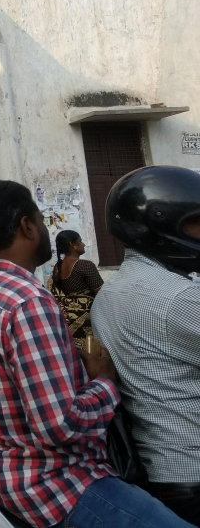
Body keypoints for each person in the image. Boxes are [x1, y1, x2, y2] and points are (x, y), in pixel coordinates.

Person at [0, 180, 190, 528]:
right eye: (40, 215)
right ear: (27, 225)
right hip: (58, 484)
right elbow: (58, 425)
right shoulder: (32, 301)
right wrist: (105, 383)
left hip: (1, 474)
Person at [91, 166, 200, 525]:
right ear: (161, 226)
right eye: (194, 223)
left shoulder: (109, 293)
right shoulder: (180, 299)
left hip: (158, 471)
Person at [47, 230, 104, 351]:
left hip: (68, 322)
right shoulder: (84, 265)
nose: (83, 244)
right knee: (93, 356)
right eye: (80, 241)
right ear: (73, 244)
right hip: (88, 323)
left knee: (77, 358)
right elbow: (102, 294)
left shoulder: (57, 267)